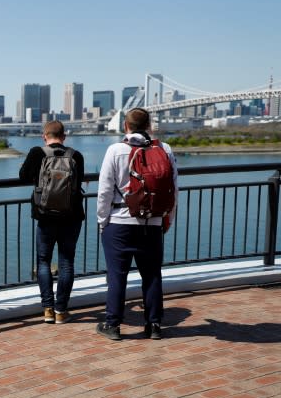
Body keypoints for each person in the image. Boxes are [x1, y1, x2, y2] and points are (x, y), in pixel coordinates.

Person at [95, 108, 178, 341]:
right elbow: (174, 189)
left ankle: (112, 325)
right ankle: (153, 325)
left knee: (117, 275)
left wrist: (103, 221)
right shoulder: (164, 149)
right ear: (150, 125)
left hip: (119, 223)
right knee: (152, 275)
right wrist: (166, 218)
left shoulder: (115, 150)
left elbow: (104, 191)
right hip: (152, 222)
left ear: (125, 126)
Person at [19, 120, 85, 324]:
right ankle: (61, 310)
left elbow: (22, 177)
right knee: (66, 263)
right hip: (71, 216)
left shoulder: (37, 153)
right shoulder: (75, 155)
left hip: (45, 215)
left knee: (43, 260)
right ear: (64, 137)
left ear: (44, 136)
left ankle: (47, 309)